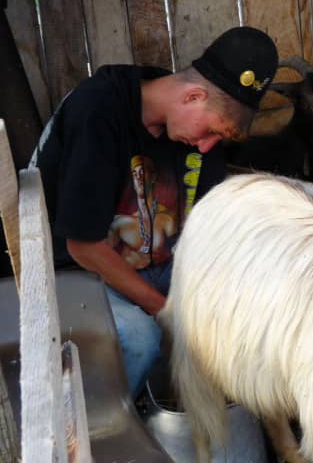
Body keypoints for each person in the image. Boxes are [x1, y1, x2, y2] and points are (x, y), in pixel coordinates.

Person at [31, 26, 279, 398]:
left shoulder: (196, 134)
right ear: (193, 96)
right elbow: (83, 246)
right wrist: (166, 311)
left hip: (158, 266)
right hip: (72, 272)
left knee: (258, 307)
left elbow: (205, 228)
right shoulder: (98, 111)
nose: (208, 146)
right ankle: (107, 437)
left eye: (219, 139)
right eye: (212, 132)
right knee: (139, 338)